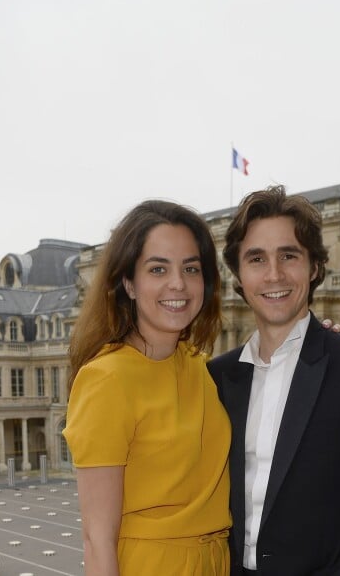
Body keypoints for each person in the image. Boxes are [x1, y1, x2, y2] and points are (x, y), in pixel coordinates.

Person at [207, 185, 340, 576]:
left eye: (289, 255)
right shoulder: (218, 377)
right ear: (238, 275)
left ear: (315, 267)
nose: (274, 274)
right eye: (256, 259)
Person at [63, 201, 232, 576]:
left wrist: (319, 339)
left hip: (216, 561)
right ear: (128, 283)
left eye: (191, 268)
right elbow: (97, 537)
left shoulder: (199, 366)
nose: (178, 283)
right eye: (158, 269)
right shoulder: (107, 379)